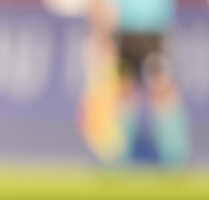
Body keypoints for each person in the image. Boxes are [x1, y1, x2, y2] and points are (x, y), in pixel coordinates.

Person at [79, 0, 189, 166]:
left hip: (155, 29)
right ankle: (117, 156)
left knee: (162, 89)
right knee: (124, 91)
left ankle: (175, 157)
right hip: (123, 31)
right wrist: (101, 28)